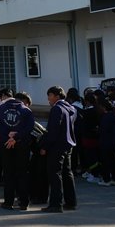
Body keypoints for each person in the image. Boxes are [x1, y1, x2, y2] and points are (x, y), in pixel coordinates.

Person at [0, 90, 35, 210]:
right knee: (22, 172)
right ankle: (24, 202)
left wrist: (8, 135)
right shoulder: (26, 110)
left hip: (6, 143)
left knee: (8, 172)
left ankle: (8, 202)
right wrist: (16, 137)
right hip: (22, 143)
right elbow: (30, 127)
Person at [41, 85, 78, 213]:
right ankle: (71, 202)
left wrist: (45, 146)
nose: (48, 99)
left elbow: (53, 130)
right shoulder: (70, 108)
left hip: (57, 145)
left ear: (57, 96)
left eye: (50, 95)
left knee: (55, 174)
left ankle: (56, 204)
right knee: (67, 173)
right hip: (68, 144)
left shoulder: (57, 109)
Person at [97, 98, 115, 187]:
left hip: (105, 141)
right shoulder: (114, 115)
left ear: (103, 107)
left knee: (105, 161)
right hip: (114, 141)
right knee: (114, 161)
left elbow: (103, 130)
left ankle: (106, 179)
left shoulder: (105, 117)